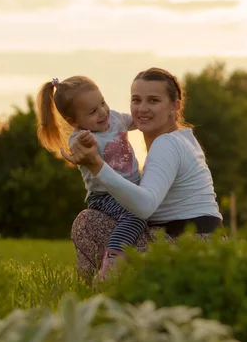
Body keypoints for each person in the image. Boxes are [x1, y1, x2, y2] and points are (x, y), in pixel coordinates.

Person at [63, 67, 224, 279]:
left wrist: (96, 165)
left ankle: (100, 290)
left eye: (153, 101)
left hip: (187, 246)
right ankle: (104, 290)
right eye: (136, 100)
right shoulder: (184, 139)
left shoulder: (166, 144)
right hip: (211, 246)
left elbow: (144, 207)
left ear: (174, 106)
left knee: (88, 222)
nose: (142, 108)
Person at [35, 75, 148, 279]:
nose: (103, 112)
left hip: (132, 186)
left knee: (150, 207)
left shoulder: (115, 118)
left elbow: (139, 122)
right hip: (105, 197)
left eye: (103, 103)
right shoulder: (80, 138)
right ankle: (113, 260)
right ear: (74, 121)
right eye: (93, 112)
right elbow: (79, 151)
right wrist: (84, 145)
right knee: (137, 214)